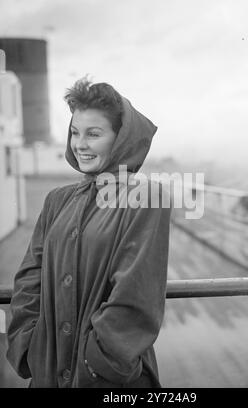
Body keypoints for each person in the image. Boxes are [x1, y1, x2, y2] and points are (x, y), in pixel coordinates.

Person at [6, 78, 171, 388]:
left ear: (121, 139)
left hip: (109, 380)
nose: (80, 144)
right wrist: (27, 346)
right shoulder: (58, 200)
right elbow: (29, 277)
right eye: (74, 132)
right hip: (47, 373)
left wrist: (98, 364)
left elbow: (135, 295)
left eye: (93, 134)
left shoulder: (148, 198)